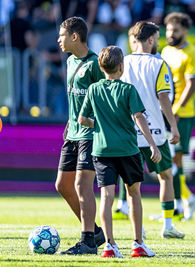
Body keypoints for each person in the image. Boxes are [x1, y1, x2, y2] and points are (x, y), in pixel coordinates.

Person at [78, 45, 161, 258]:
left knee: (106, 196)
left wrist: (97, 125)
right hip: (128, 149)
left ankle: (109, 245)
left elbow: (82, 119)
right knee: (134, 194)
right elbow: (139, 117)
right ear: (122, 67)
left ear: (101, 66)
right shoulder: (128, 90)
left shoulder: (94, 89)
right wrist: (152, 144)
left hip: (102, 150)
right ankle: (138, 244)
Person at [120, 21, 185, 239]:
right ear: (150, 39)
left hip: (129, 131)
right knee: (165, 176)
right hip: (155, 131)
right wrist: (173, 125)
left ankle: (138, 228)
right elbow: (163, 98)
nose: (158, 42)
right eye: (157, 38)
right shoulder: (158, 64)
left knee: (132, 184)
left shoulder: (122, 62)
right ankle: (167, 225)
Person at [55, 16, 105, 255]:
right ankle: (95, 231)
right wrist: (70, 121)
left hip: (92, 133)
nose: (58, 40)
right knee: (63, 185)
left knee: (82, 185)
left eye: (62, 35)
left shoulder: (96, 64)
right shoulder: (69, 62)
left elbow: (105, 100)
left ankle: (87, 241)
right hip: (72, 132)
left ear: (75, 36)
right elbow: (76, 99)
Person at [161, 12, 195, 220]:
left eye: (175, 30)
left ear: (185, 31)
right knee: (168, 161)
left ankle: (178, 204)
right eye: (168, 30)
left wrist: (175, 110)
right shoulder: (166, 51)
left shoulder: (192, 53)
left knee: (174, 160)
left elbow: (191, 85)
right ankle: (184, 199)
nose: (170, 34)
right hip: (166, 113)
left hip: (182, 114)